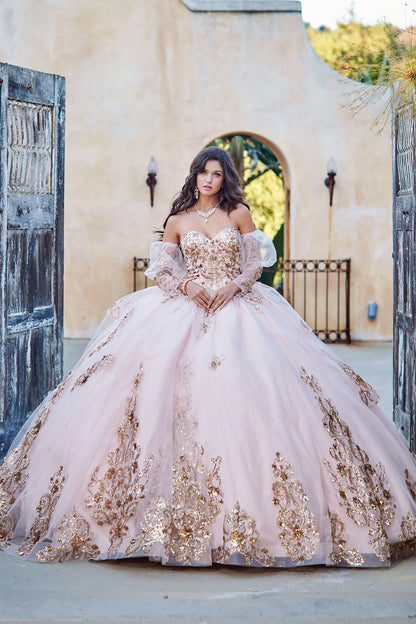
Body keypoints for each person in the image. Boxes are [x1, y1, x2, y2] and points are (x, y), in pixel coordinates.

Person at [0, 146, 415, 568]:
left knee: (267, 392)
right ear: (194, 176)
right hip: (185, 307)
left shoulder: (238, 214)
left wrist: (232, 287)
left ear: (225, 178)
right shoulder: (177, 220)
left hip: (237, 309)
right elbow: (160, 270)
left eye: (216, 173)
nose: (209, 180)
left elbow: (256, 266)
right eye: (203, 172)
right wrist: (188, 288)